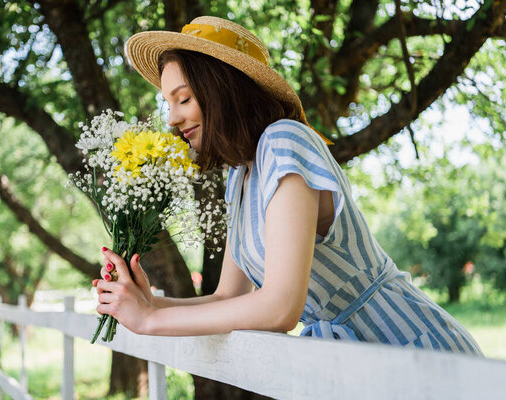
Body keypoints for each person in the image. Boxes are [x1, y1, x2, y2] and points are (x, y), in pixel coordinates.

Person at [92, 16, 483, 356]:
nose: (173, 119)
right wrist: (148, 304)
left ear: (221, 89)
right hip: (353, 363)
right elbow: (228, 298)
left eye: (184, 99)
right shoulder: (241, 176)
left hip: (408, 346)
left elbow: (280, 309)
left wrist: (149, 322)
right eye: (169, 104)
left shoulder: (284, 142)